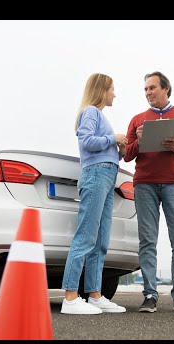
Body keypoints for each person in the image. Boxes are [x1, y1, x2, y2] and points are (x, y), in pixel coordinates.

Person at [124, 71, 174, 313]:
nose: (148, 93)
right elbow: (127, 155)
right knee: (147, 241)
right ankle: (149, 294)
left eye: (152, 88)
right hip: (145, 185)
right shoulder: (137, 119)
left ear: (166, 89)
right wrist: (139, 141)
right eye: (145, 89)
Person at [61, 73, 128, 315]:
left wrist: (119, 148)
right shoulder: (91, 111)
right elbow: (86, 141)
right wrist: (114, 138)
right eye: (112, 89)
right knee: (86, 236)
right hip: (97, 175)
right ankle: (70, 297)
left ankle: (95, 295)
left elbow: (104, 150)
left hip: (108, 175)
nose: (114, 94)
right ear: (102, 90)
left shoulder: (100, 116)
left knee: (101, 241)